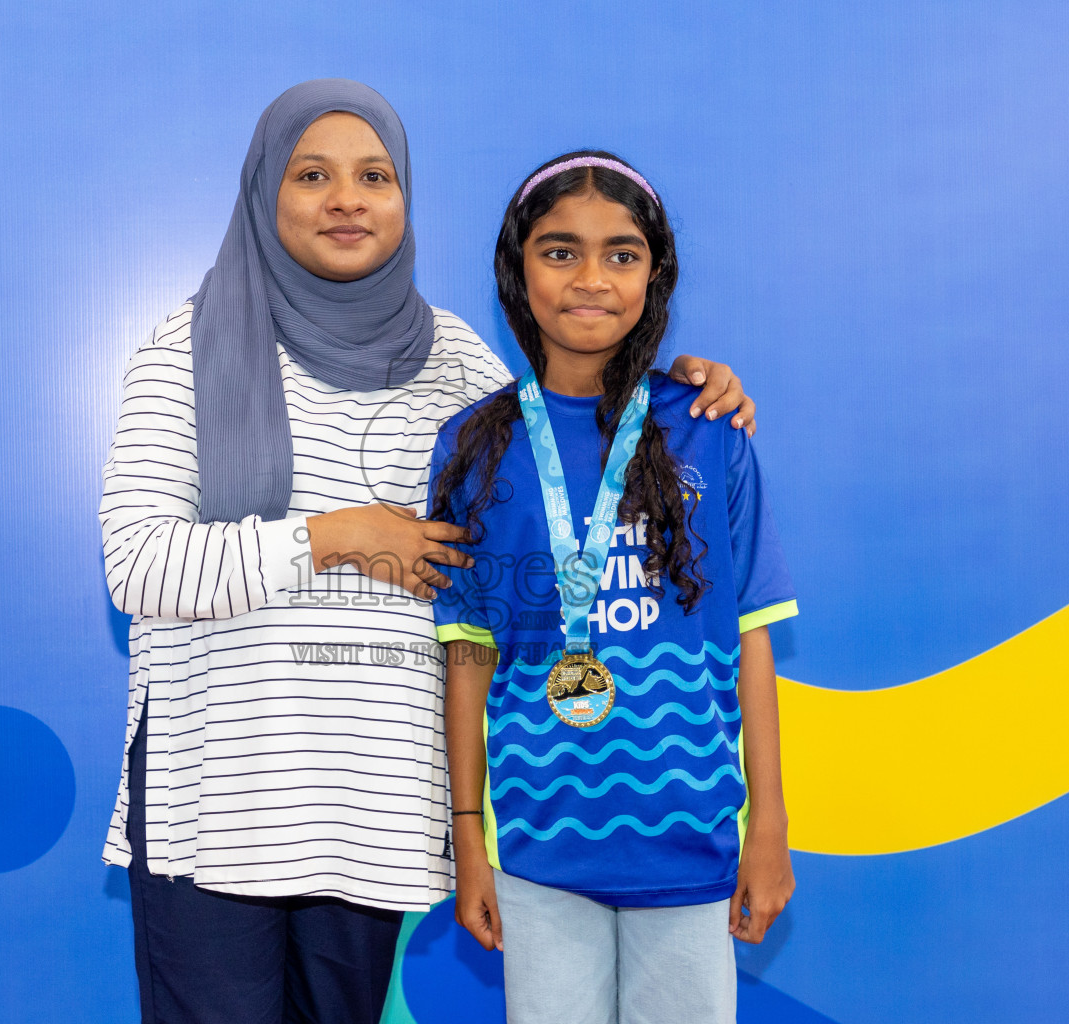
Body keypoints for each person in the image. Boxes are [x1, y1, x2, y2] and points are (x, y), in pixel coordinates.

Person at [99, 80, 757, 1024]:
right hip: (219, 808)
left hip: (372, 810)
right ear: (262, 193)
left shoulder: (459, 363)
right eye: (312, 174)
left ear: (405, 197)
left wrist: (689, 382)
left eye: (374, 175)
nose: (346, 199)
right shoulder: (183, 350)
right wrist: (336, 537)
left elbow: (563, 453)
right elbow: (141, 565)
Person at [430, 150, 798, 1024]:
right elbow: (467, 659)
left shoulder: (709, 429)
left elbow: (750, 639)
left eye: (621, 254)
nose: (591, 278)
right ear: (516, 269)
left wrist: (771, 828)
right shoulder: (475, 447)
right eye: (559, 251)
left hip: (691, 841)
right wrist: (469, 839)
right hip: (539, 845)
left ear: (656, 274)